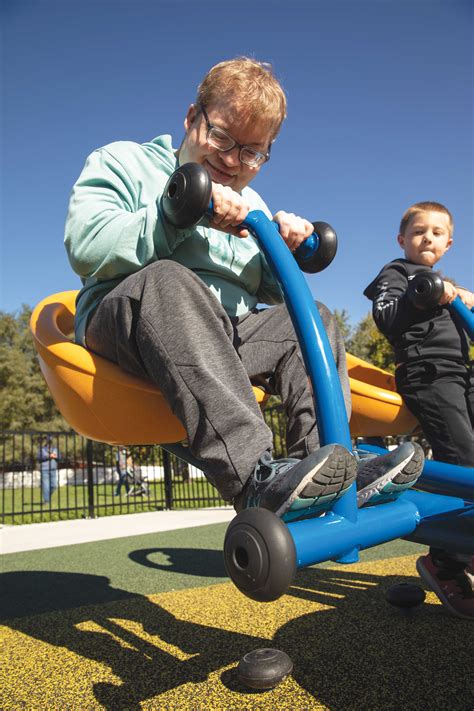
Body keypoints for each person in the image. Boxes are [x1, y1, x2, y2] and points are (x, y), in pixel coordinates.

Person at [64, 56, 423, 523]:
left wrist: (288, 250)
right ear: (192, 118)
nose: (232, 161)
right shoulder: (124, 161)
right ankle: (256, 478)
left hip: (223, 335)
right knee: (170, 280)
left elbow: (268, 290)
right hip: (125, 321)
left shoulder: (250, 201)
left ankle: (325, 469)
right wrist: (176, 210)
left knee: (310, 319)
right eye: (221, 138)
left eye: (251, 152)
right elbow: (87, 245)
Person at [364, 200, 473, 619]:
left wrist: (462, 300)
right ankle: (444, 561)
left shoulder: (448, 288)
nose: (427, 237)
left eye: (437, 232)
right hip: (427, 373)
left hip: (461, 373)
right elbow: (386, 317)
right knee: (463, 460)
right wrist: (425, 292)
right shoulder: (399, 274)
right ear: (402, 239)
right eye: (418, 231)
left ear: (449, 242)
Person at [37, 435, 59, 504]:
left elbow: (59, 458)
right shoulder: (42, 449)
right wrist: (48, 456)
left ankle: (47, 497)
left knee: (54, 486)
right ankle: (46, 501)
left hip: (53, 469)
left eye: (50, 441)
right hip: (44, 469)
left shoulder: (55, 449)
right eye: (48, 440)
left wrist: (56, 457)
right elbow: (39, 459)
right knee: (46, 485)